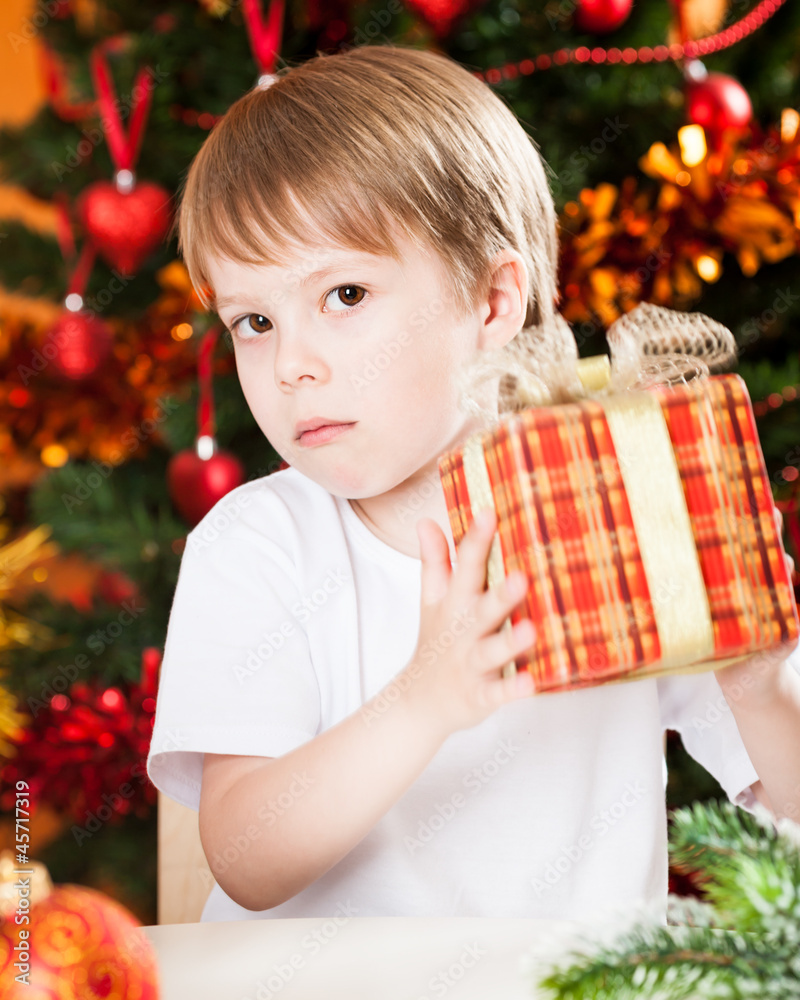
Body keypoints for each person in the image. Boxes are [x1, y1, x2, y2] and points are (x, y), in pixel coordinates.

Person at [146, 43, 800, 924]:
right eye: (254, 321)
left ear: (493, 305)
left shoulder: (618, 511)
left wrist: (758, 682)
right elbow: (245, 859)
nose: (291, 364)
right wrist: (426, 698)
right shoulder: (257, 544)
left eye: (343, 295)